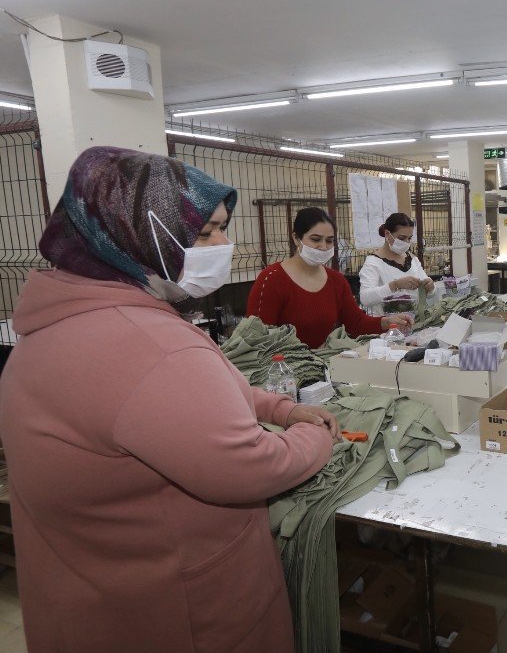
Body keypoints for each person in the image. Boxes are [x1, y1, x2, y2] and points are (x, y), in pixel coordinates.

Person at [0, 147, 341, 653]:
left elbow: (192, 395)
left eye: (223, 227)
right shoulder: (148, 345)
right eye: (205, 233)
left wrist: (280, 408)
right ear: (129, 235)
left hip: (87, 595)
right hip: (181, 615)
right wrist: (315, 434)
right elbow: (249, 466)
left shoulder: (51, 330)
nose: (224, 244)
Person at [247, 208, 411, 348]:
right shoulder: (271, 279)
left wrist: (386, 322)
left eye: (330, 241)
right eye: (315, 239)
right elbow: (257, 341)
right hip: (283, 371)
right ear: (296, 238)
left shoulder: (336, 281)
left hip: (321, 365)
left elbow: (355, 323)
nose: (323, 247)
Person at [359, 212, 435, 316]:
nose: (406, 243)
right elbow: (365, 298)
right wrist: (395, 285)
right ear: (387, 234)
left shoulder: (412, 260)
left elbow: (430, 293)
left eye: (409, 238)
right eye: (401, 238)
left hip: (414, 322)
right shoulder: (373, 262)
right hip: (388, 327)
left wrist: (430, 287)